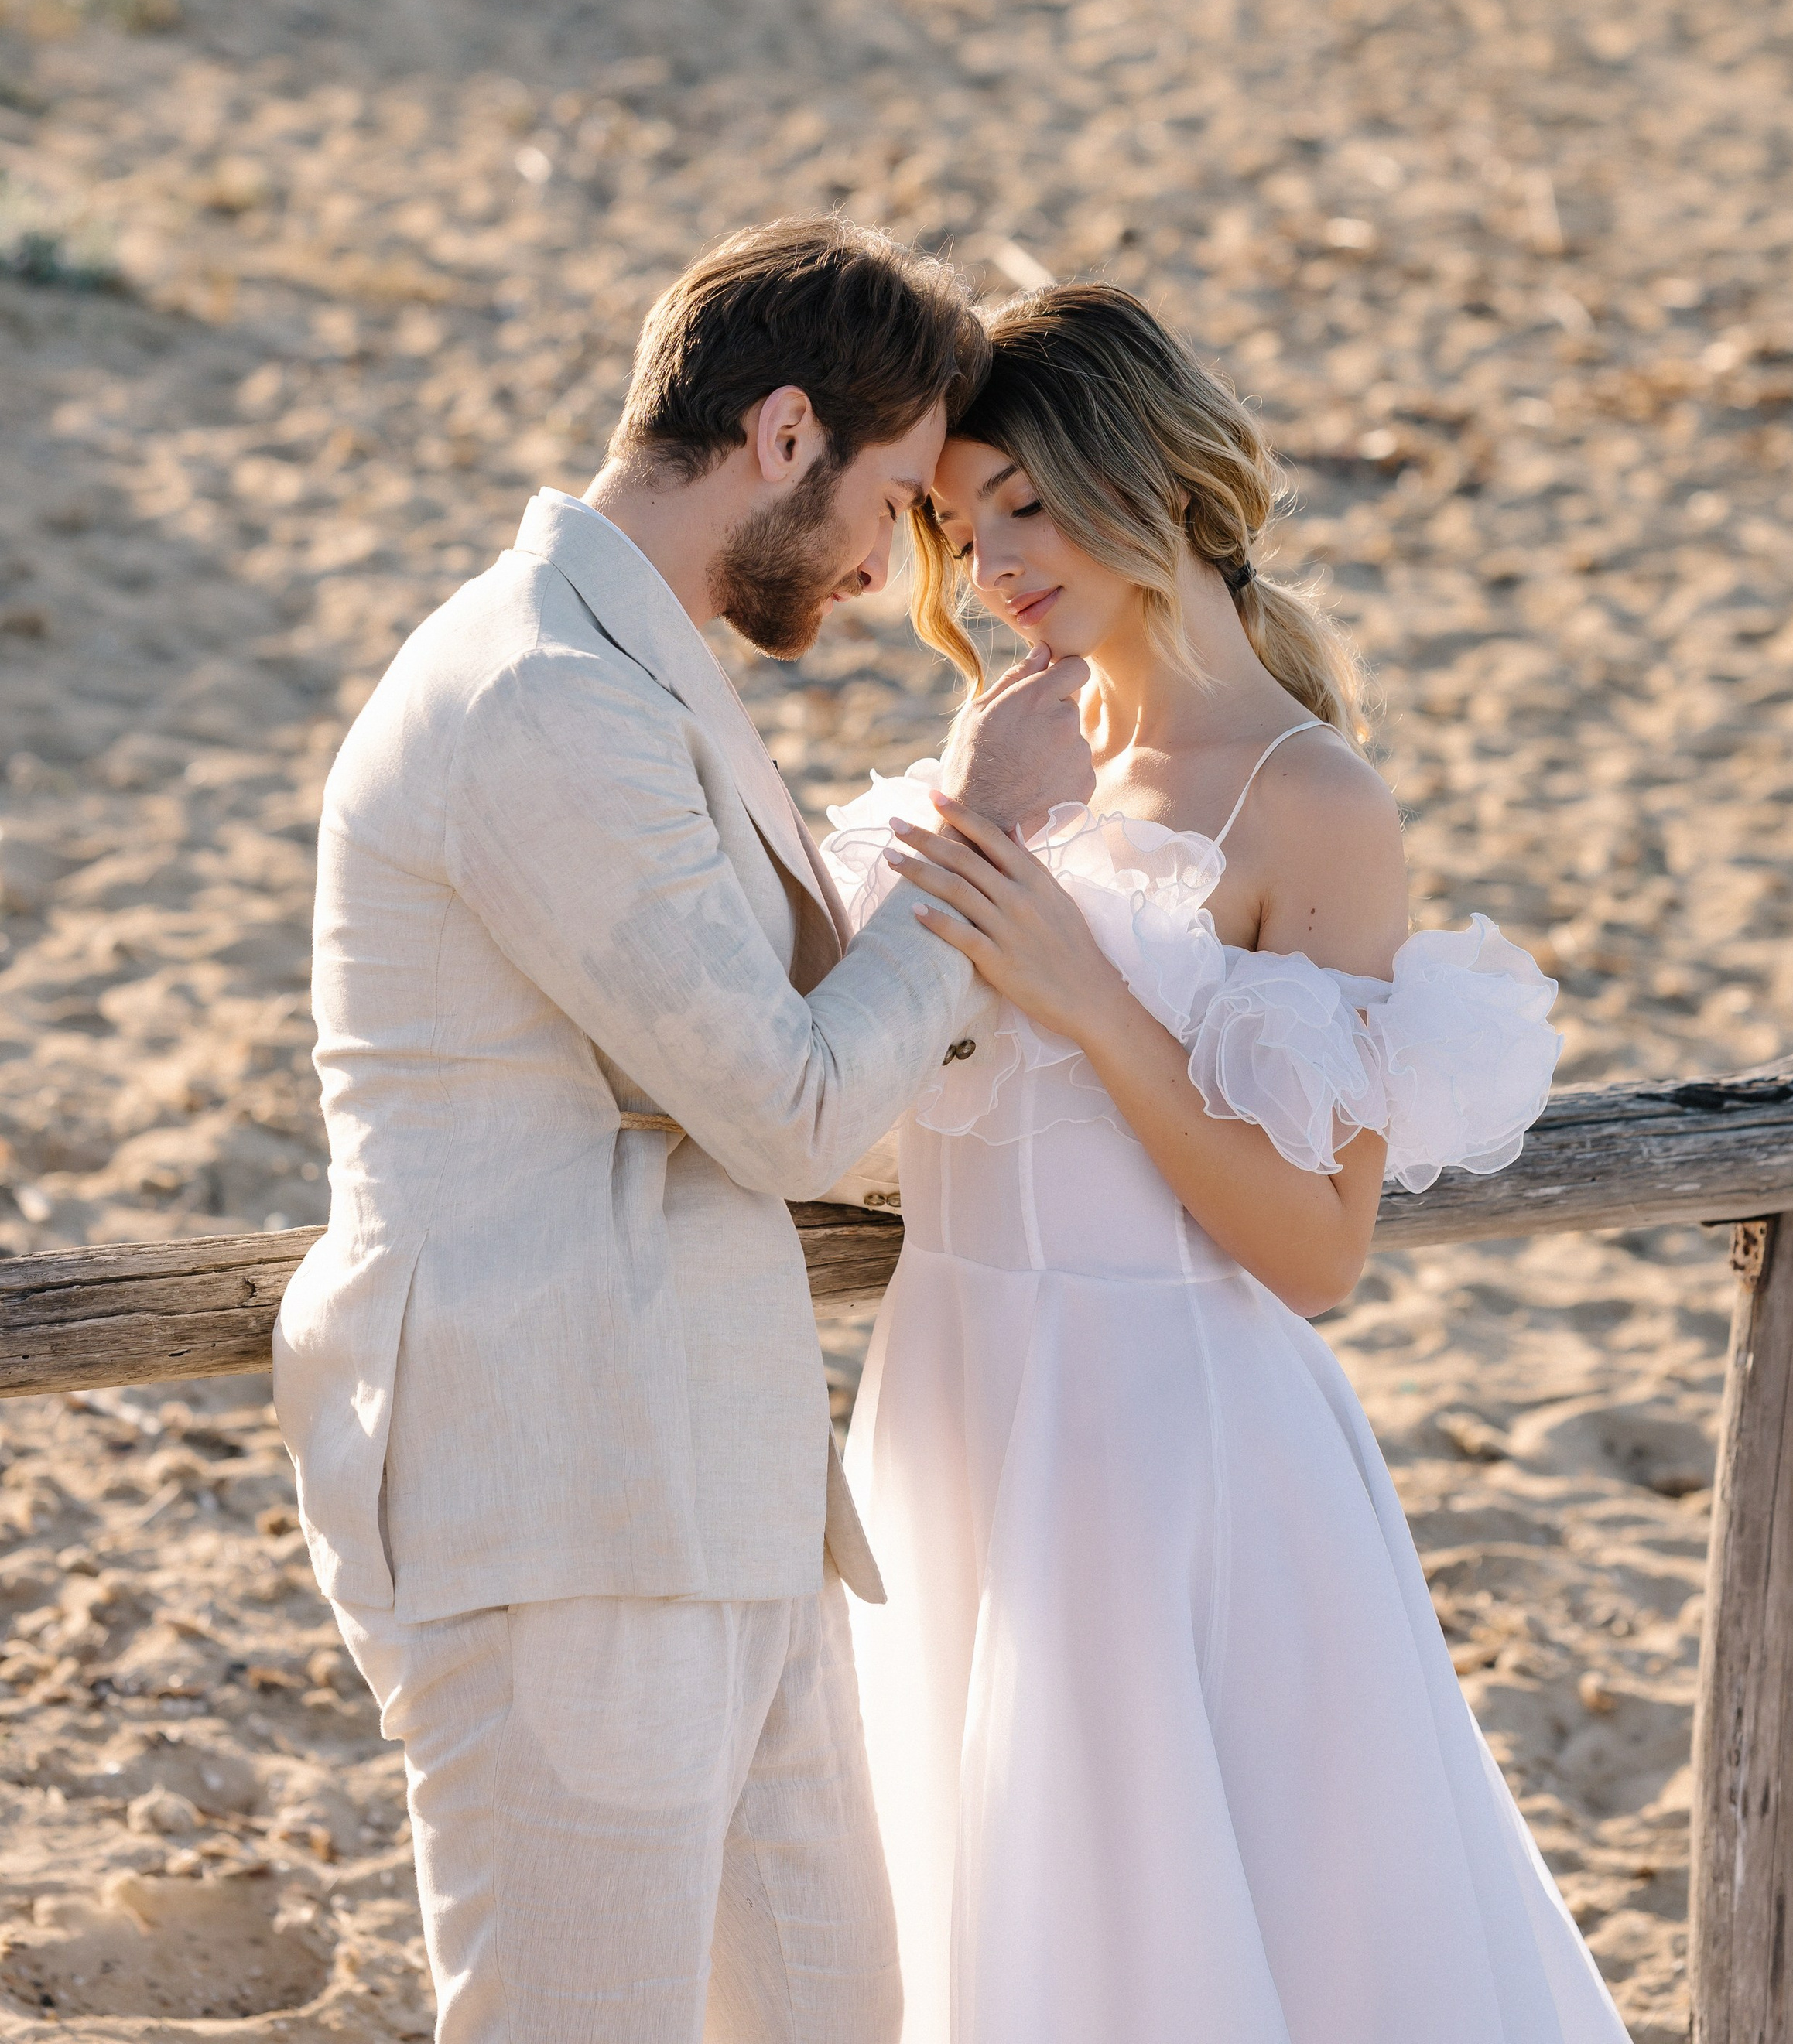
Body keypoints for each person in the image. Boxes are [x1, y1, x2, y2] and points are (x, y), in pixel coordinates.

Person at [274, 218, 1093, 2044]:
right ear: (783, 437)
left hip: (716, 1492)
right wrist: (987, 842)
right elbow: (788, 1106)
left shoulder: (633, 663)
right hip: (554, 1491)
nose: (893, 568)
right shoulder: (537, 695)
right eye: (891, 502)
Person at [823, 284, 1630, 2044]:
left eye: (1027, 501)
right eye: (960, 528)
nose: (993, 562)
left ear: (1146, 475)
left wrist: (1084, 996)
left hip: (1159, 1441)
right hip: (946, 1400)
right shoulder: (1011, 755)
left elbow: (1313, 1249)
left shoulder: (1307, 799)